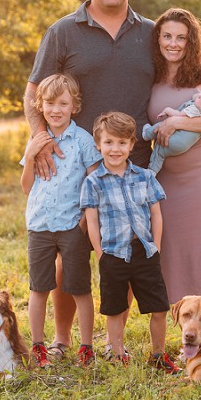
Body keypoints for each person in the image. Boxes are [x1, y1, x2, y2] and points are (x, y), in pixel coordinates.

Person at [24, 0, 154, 357]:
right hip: (73, 166)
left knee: (122, 255)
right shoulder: (64, 31)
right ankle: (63, 341)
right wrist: (39, 139)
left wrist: (200, 116)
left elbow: (182, 75)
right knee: (69, 258)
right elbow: (34, 92)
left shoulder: (151, 32)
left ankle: (114, 343)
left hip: (131, 164)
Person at [80, 111, 181, 374]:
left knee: (159, 307)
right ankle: (118, 353)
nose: (115, 149)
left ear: (131, 145)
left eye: (122, 143)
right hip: (113, 253)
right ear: (98, 145)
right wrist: (101, 253)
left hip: (144, 251)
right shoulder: (93, 182)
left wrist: (155, 245)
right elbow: (92, 221)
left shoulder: (145, 177)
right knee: (115, 308)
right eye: (109, 142)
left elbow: (156, 213)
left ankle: (158, 355)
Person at [147, 8, 201, 303]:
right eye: (167, 36)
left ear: (191, 41)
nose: (173, 43)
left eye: (181, 37)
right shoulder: (151, 74)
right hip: (167, 177)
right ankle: (182, 321)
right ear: (158, 38)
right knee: (172, 248)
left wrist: (178, 122)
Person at [20, 74, 101, 367]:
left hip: (72, 226)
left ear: (74, 106)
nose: (56, 110)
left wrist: (85, 216)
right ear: (40, 106)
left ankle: (86, 347)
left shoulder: (83, 141)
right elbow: (26, 186)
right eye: (50, 103)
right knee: (38, 288)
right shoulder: (36, 141)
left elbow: (96, 181)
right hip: (39, 225)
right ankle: (39, 347)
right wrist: (30, 156)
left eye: (63, 103)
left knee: (79, 287)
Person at [142, 89, 201, 173]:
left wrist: (167, 110)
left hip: (178, 143)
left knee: (161, 126)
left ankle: (147, 134)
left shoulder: (194, 109)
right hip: (182, 147)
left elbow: (178, 115)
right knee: (159, 153)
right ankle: (152, 171)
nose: (200, 95)